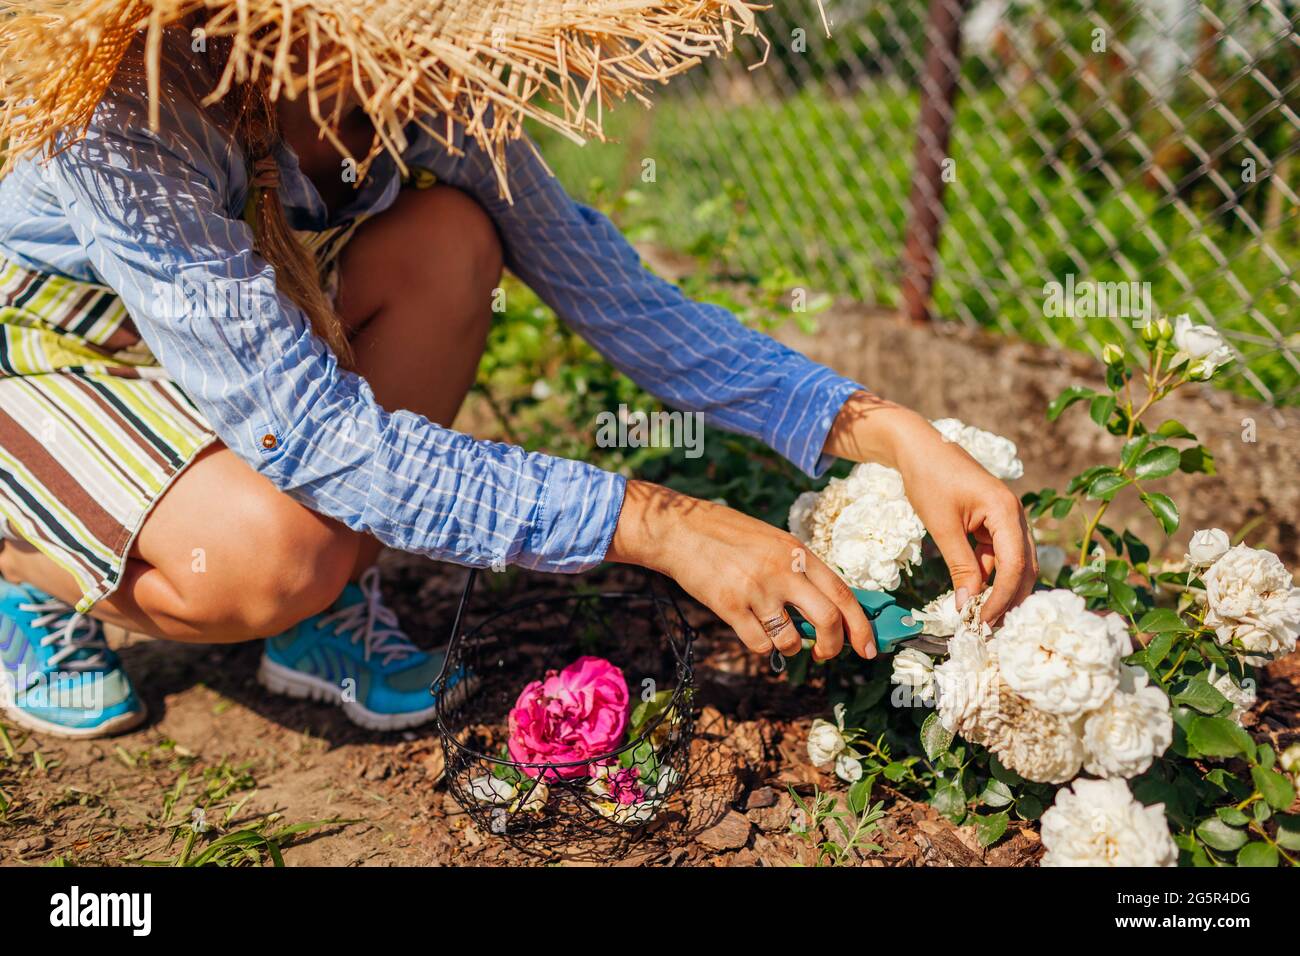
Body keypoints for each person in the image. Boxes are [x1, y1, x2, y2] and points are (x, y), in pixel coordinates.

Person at [0, 3, 1036, 738]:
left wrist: (893, 432)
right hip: (67, 354)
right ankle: (31, 572)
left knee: (450, 238)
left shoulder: (425, 89)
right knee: (268, 557)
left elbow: (625, 304)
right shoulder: (130, 109)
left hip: (258, 357)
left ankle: (321, 609)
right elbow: (316, 440)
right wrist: (665, 525)